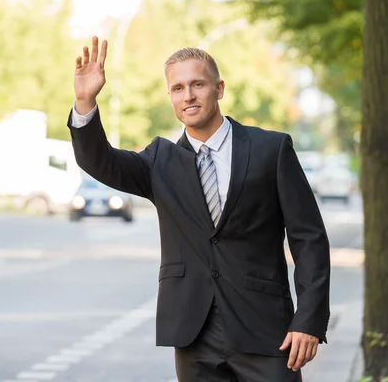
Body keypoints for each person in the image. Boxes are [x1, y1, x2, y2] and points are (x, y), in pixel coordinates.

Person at [68, 36, 330, 382]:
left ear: (218, 88)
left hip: (267, 329)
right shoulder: (159, 161)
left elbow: (308, 238)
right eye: (177, 88)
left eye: (197, 84)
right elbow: (100, 161)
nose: (188, 95)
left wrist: (308, 320)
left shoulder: (271, 149)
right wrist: (85, 102)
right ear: (171, 98)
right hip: (194, 332)